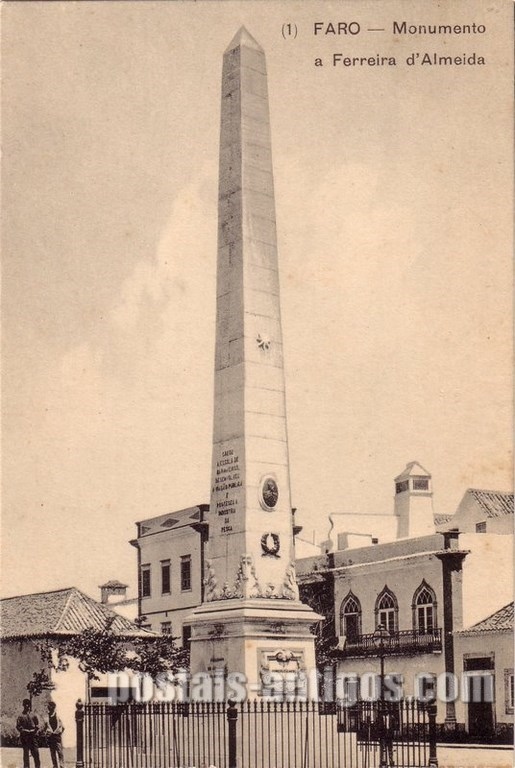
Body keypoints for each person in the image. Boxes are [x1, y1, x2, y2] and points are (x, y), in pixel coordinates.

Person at [16, 699, 41, 768]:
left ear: (30, 705)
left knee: (36, 753)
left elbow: (38, 725)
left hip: (33, 737)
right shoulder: (20, 716)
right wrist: (23, 730)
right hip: (25, 737)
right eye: (25, 704)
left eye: (28, 704)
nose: (27, 706)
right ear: (23, 705)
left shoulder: (34, 715)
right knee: (26, 754)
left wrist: (35, 730)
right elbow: (18, 726)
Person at [42, 701, 65, 768]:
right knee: (52, 753)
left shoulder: (58, 716)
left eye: (49, 706)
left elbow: (62, 727)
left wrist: (59, 733)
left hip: (57, 737)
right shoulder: (46, 717)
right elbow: (45, 727)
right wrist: (46, 734)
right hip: (50, 737)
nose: (48, 707)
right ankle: (55, 766)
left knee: (60, 752)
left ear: (53, 707)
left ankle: (61, 765)